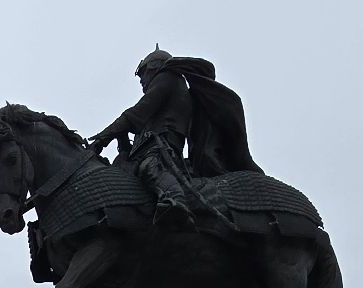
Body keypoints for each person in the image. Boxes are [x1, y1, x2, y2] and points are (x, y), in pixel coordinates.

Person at [87, 50, 259, 226]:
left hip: (161, 148)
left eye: (142, 73)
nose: (141, 80)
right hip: (144, 151)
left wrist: (103, 137)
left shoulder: (168, 78)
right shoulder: (163, 91)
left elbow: (138, 112)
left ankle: (176, 201)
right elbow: (137, 124)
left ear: (153, 66)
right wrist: (121, 139)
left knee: (150, 168)